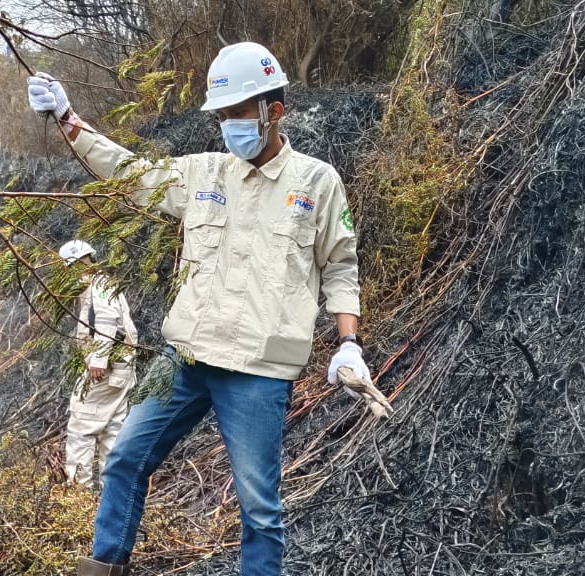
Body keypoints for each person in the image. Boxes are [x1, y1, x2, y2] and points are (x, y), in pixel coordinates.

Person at [27, 42, 372, 576]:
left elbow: (341, 266)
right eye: (222, 116)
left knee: (259, 509)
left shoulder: (317, 183)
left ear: (272, 111)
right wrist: (69, 121)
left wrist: (349, 344)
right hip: (184, 356)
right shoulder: (204, 174)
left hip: (259, 372)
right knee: (124, 458)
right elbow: (131, 173)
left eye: (236, 115)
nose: (227, 127)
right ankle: (104, 568)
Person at [59, 239, 140, 489]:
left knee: (82, 427)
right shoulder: (102, 283)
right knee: (113, 430)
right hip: (120, 371)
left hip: (106, 370)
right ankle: (112, 491)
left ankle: (78, 492)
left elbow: (107, 320)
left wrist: (98, 360)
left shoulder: (99, 284)